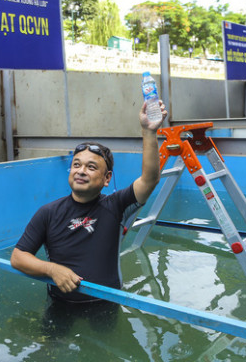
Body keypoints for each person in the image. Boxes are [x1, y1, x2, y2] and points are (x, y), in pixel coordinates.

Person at [10, 100, 167, 327]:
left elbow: (150, 179)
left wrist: (148, 131)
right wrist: (52, 269)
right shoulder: (48, 213)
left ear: (107, 179)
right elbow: (18, 257)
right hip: (60, 303)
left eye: (91, 167)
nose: (81, 171)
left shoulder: (116, 206)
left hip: (105, 304)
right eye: (76, 165)